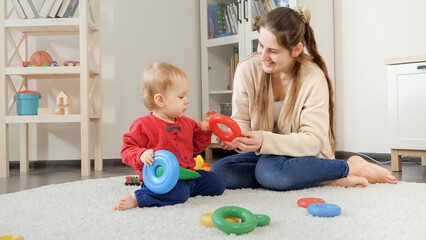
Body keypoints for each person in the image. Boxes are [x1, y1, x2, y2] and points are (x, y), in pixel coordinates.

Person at [211, 6, 397, 191]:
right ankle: (320, 179)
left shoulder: (313, 77)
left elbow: (313, 141)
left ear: (296, 49)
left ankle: (349, 167)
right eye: (261, 45)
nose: (263, 57)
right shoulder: (247, 69)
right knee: (221, 171)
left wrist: (264, 141)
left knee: (270, 172)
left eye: (273, 51)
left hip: (305, 156)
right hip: (265, 155)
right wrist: (236, 138)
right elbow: (241, 120)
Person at [114, 62, 225, 210]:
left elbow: (197, 146)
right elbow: (127, 150)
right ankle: (138, 198)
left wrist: (204, 130)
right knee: (179, 194)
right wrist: (141, 155)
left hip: (188, 175)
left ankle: (185, 190)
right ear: (160, 100)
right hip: (162, 179)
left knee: (218, 184)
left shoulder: (188, 123)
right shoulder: (143, 124)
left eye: (186, 95)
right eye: (181, 96)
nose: (187, 100)